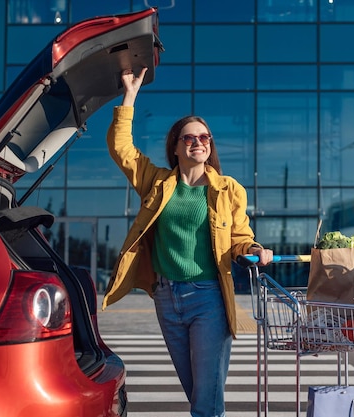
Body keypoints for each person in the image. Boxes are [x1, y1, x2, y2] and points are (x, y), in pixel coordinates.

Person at [102, 67, 274, 417]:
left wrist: (254, 249)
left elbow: (240, 235)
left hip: (208, 299)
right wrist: (130, 95)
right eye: (189, 138)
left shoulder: (228, 189)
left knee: (206, 402)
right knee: (198, 394)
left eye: (205, 137)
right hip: (167, 299)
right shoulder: (158, 183)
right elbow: (121, 148)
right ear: (176, 147)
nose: (199, 142)